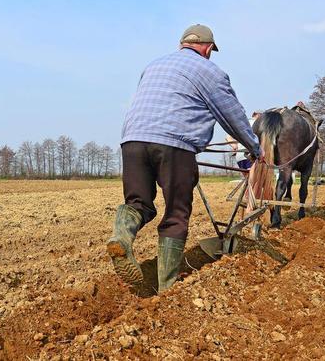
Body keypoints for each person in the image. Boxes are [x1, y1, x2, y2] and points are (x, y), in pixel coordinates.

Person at [109, 24, 261, 293]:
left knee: (139, 203)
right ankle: (167, 289)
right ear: (207, 48)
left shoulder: (154, 65)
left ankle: (121, 236)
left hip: (132, 140)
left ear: (182, 44)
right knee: (176, 214)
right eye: (211, 51)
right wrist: (254, 148)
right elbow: (232, 115)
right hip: (174, 146)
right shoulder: (209, 71)